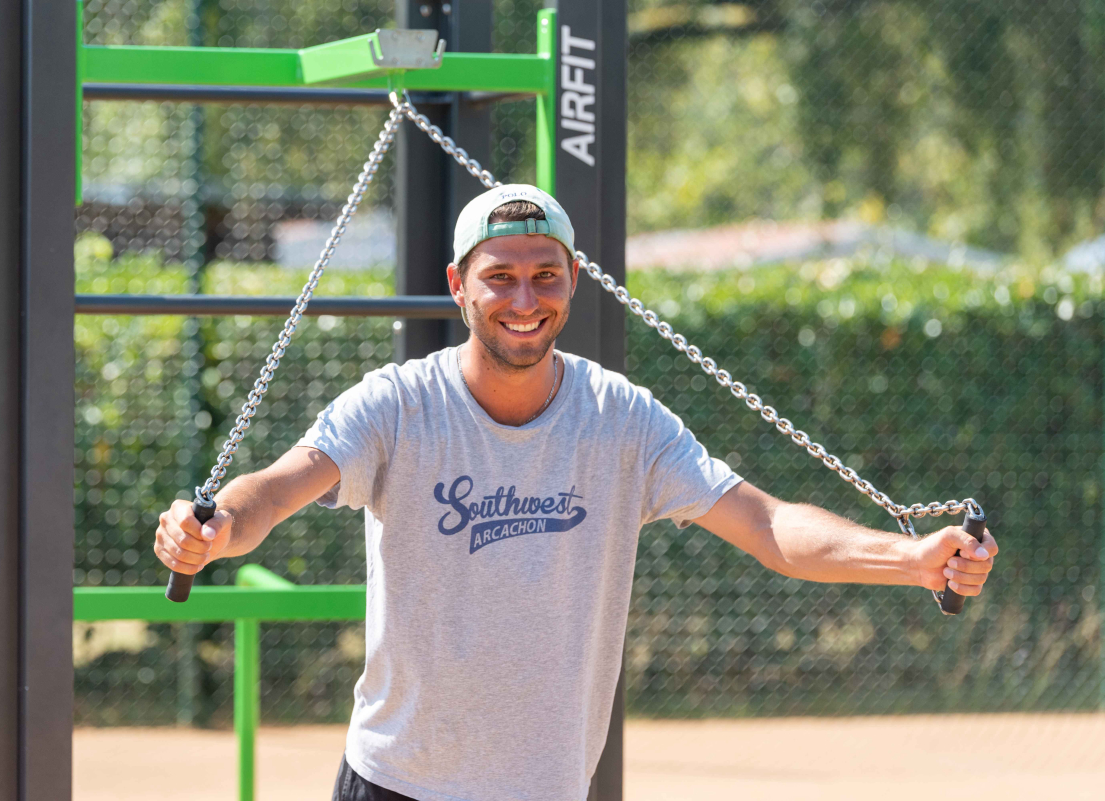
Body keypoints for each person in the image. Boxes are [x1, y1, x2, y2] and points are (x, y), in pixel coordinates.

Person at [153, 184, 999, 801]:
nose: (524, 299)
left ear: (573, 281)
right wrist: (214, 529)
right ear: (457, 285)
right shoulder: (397, 404)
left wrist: (912, 558)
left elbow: (768, 524)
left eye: (545, 275)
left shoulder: (621, 418)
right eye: (500, 276)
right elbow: (274, 489)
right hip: (396, 781)